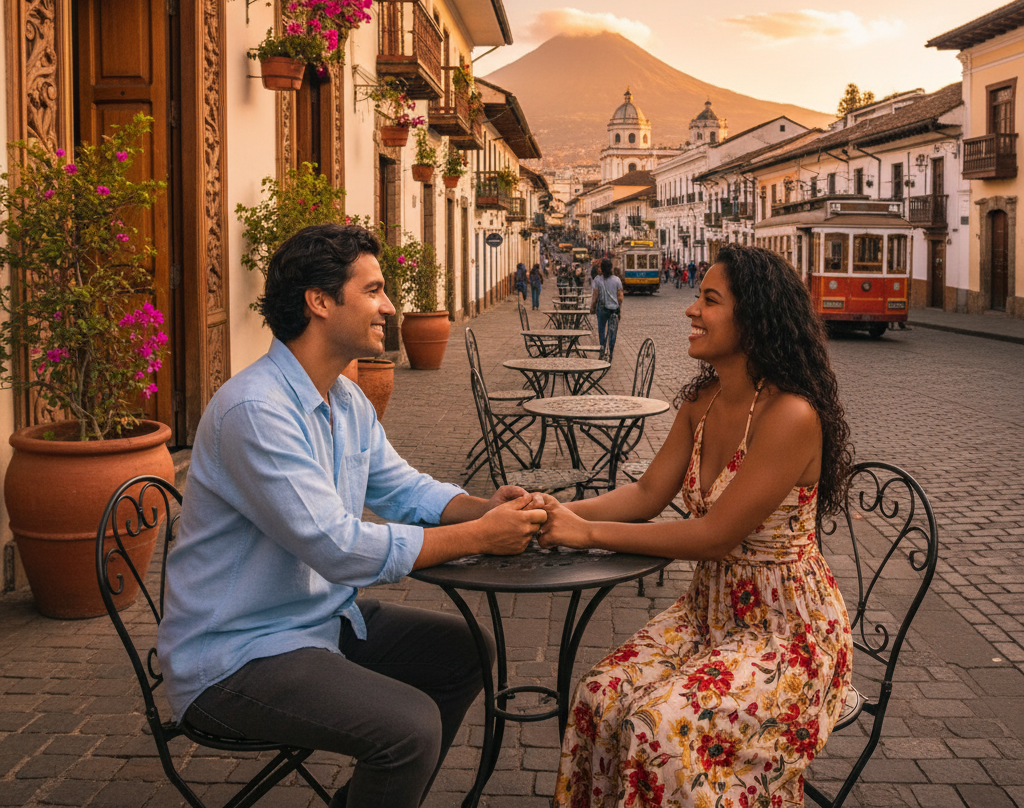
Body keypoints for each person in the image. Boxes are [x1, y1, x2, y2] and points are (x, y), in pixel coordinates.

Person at [157, 223, 548, 808]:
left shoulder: (345, 398)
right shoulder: (256, 410)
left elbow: (403, 489)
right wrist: (480, 538)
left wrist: (484, 507)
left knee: (469, 651)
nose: (389, 306)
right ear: (320, 301)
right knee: (410, 728)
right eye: (373, 291)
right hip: (235, 654)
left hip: (318, 623)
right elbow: (338, 547)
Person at [541, 244, 854, 808]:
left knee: (659, 729)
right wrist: (549, 510)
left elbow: (714, 535)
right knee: (598, 695)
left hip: (787, 634)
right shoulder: (702, 402)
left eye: (709, 299)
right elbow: (645, 495)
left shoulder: (791, 414)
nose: (691, 310)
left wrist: (581, 532)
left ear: (754, 317)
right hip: (709, 614)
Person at [589, 257, 623, 361]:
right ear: (611, 268)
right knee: (612, 331)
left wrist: (592, 307)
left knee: (601, 330)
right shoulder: (617, 280)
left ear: (602, 269)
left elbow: (595, 295)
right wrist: (619, 310)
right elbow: (620, 297)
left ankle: (602, 350)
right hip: (614, 309)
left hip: (602, 308)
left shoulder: (597, 280)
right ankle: (610, 352)